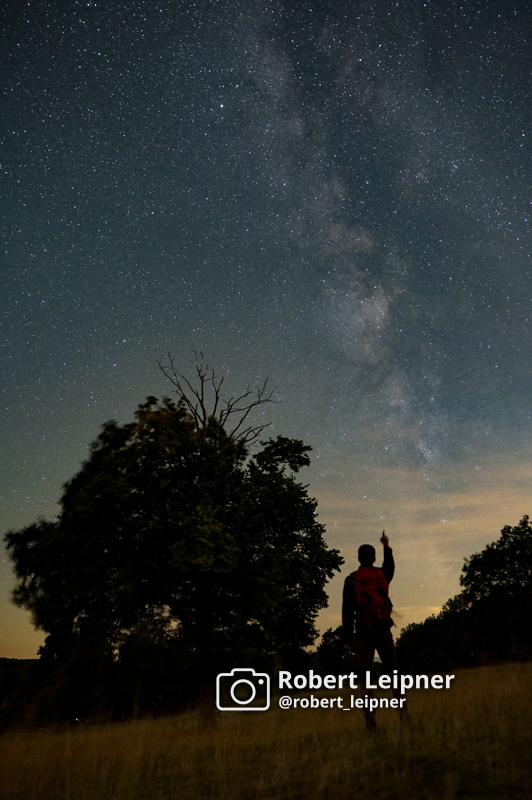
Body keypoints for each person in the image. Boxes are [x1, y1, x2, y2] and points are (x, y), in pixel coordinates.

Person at [342, 530, 407, 731]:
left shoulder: (352, 580)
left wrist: (348, 638)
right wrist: (386, 546)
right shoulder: (382, 575)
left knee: (366, 679)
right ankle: (404, 717)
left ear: (359, 558)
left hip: (363, 633)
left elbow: (347, 611)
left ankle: (371, 723)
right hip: (383, 631)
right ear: (374, 558)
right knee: (393, 673)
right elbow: (390, 566)